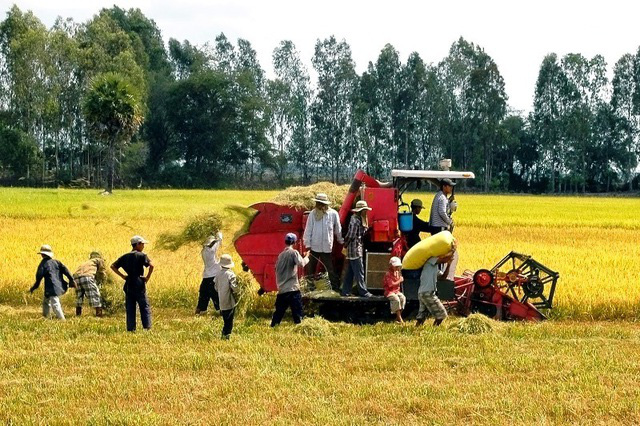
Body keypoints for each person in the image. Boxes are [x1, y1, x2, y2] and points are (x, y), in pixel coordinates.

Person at [111, 235, 154, 332]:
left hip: (129, 282)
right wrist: (147, 277)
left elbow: (113, 266)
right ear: (138, 244)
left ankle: (131, 329)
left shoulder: (125, 256)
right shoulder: (142, 255)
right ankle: (147, 327)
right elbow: (151, 266)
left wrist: (123, 276)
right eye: (142, 244)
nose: (143, 246)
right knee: (144, 305)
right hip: (139, 281)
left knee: (130, 306)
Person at [303, 193, 344, 291]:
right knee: (310, 268)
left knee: (329, 268)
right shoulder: (313, 213)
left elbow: (338, 229)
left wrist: (341, 240)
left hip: (326, 247)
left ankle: (335, 288)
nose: (319, 205)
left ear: (325, 204)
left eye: (321, 203)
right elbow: (308, 230)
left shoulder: (333, 214)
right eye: (318, 203)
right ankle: (310, 287)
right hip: (314, 246)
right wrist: (307, 244)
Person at [271, 233, 309, 327]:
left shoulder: (280, 255)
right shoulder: (294, 252)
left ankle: (273, 328)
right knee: (298, 315)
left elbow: (276, 268)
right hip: (292, 289)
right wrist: (307, 257)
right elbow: (301, 264)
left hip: (282, 289)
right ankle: (299, 330)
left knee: (278, 314)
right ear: (294, 242)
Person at [29, 244, 75, 320]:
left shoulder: (43, 264)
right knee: (46, 301)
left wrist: (34, 287)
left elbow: (39, 277)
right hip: (58, 286)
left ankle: (62, 319)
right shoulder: (56, 262)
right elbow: (66, 271)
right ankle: (45, 316)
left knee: (55, 303)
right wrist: (71, 279)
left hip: (51, 287)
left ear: (42, 255)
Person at [415, 245, 456, 327]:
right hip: (427, 292)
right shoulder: (430, 260)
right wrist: (453, 250)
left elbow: (443, 277)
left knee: (422, 315)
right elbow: (444, 259)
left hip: (422, 292)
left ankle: (416, 330)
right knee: (442, 314)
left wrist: (448, 265)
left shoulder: (434, 267)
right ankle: (434, 328)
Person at [341, 200, 373, 297]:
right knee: (359, 272)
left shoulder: (358, 218)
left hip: (354, 249)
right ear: (361, 210)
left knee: (350, 273)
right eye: (365, 210)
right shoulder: (355, 220)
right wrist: (345, 245)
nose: (366, 212)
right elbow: (351, 235)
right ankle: (363, 292)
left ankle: (345, 291)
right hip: (355, 249)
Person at [195, 232, 223, 315]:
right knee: (214, 293)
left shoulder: (204, 251)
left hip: (206, 275)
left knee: (203, 293)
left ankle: (200, 310)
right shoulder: (211, 250)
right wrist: (218, 232)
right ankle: (220, 310)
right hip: (213, 276)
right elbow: (219, 240)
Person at [73, 251, 107, 317]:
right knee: (95, 294)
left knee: (79, 296)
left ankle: (78, 314)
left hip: (76, 278)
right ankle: (99, 315)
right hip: (87, 277)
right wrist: (104, 280)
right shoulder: (98, 260)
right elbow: (102, 271)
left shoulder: (86, 262)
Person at [215, 254, 239, 339]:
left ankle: (224, 335)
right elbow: (234, 287)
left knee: (225, 319)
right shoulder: (230, 275)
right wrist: (239, 291)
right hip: (229, 300)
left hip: (221, 299)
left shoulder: (218, 274)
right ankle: (226, 336)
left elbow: (216, 287)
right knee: (229, 321)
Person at [383, 256, 406, 323]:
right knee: (396, 299)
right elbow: (391, 285)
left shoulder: (397, 273)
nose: (397, 268)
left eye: (398, 266)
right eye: (395, 266)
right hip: (389, 292)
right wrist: (400, 280)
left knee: (402, 298)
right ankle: (400, 319)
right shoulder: (388, 274)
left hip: (396, 291)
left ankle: (397, 317)